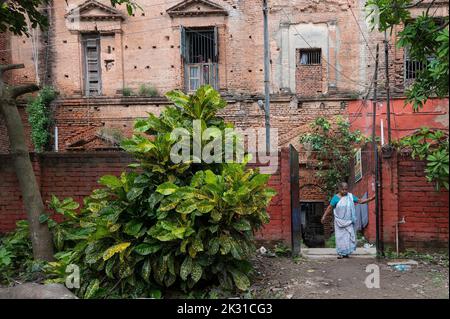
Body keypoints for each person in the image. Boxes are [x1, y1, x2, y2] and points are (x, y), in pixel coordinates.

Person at [321, 182, 375, 259]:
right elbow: (330, 208)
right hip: (339, 222)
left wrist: (371, 198)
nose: (344, 191)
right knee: (340, 238)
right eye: (343, 189)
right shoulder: (335, 198)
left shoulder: (350, 196)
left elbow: (360, 201)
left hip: (349, 221)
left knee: (348, 237)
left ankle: (346, 253)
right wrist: (324, 216)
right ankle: (341, 253)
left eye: (346, 189)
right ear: (339, 189)